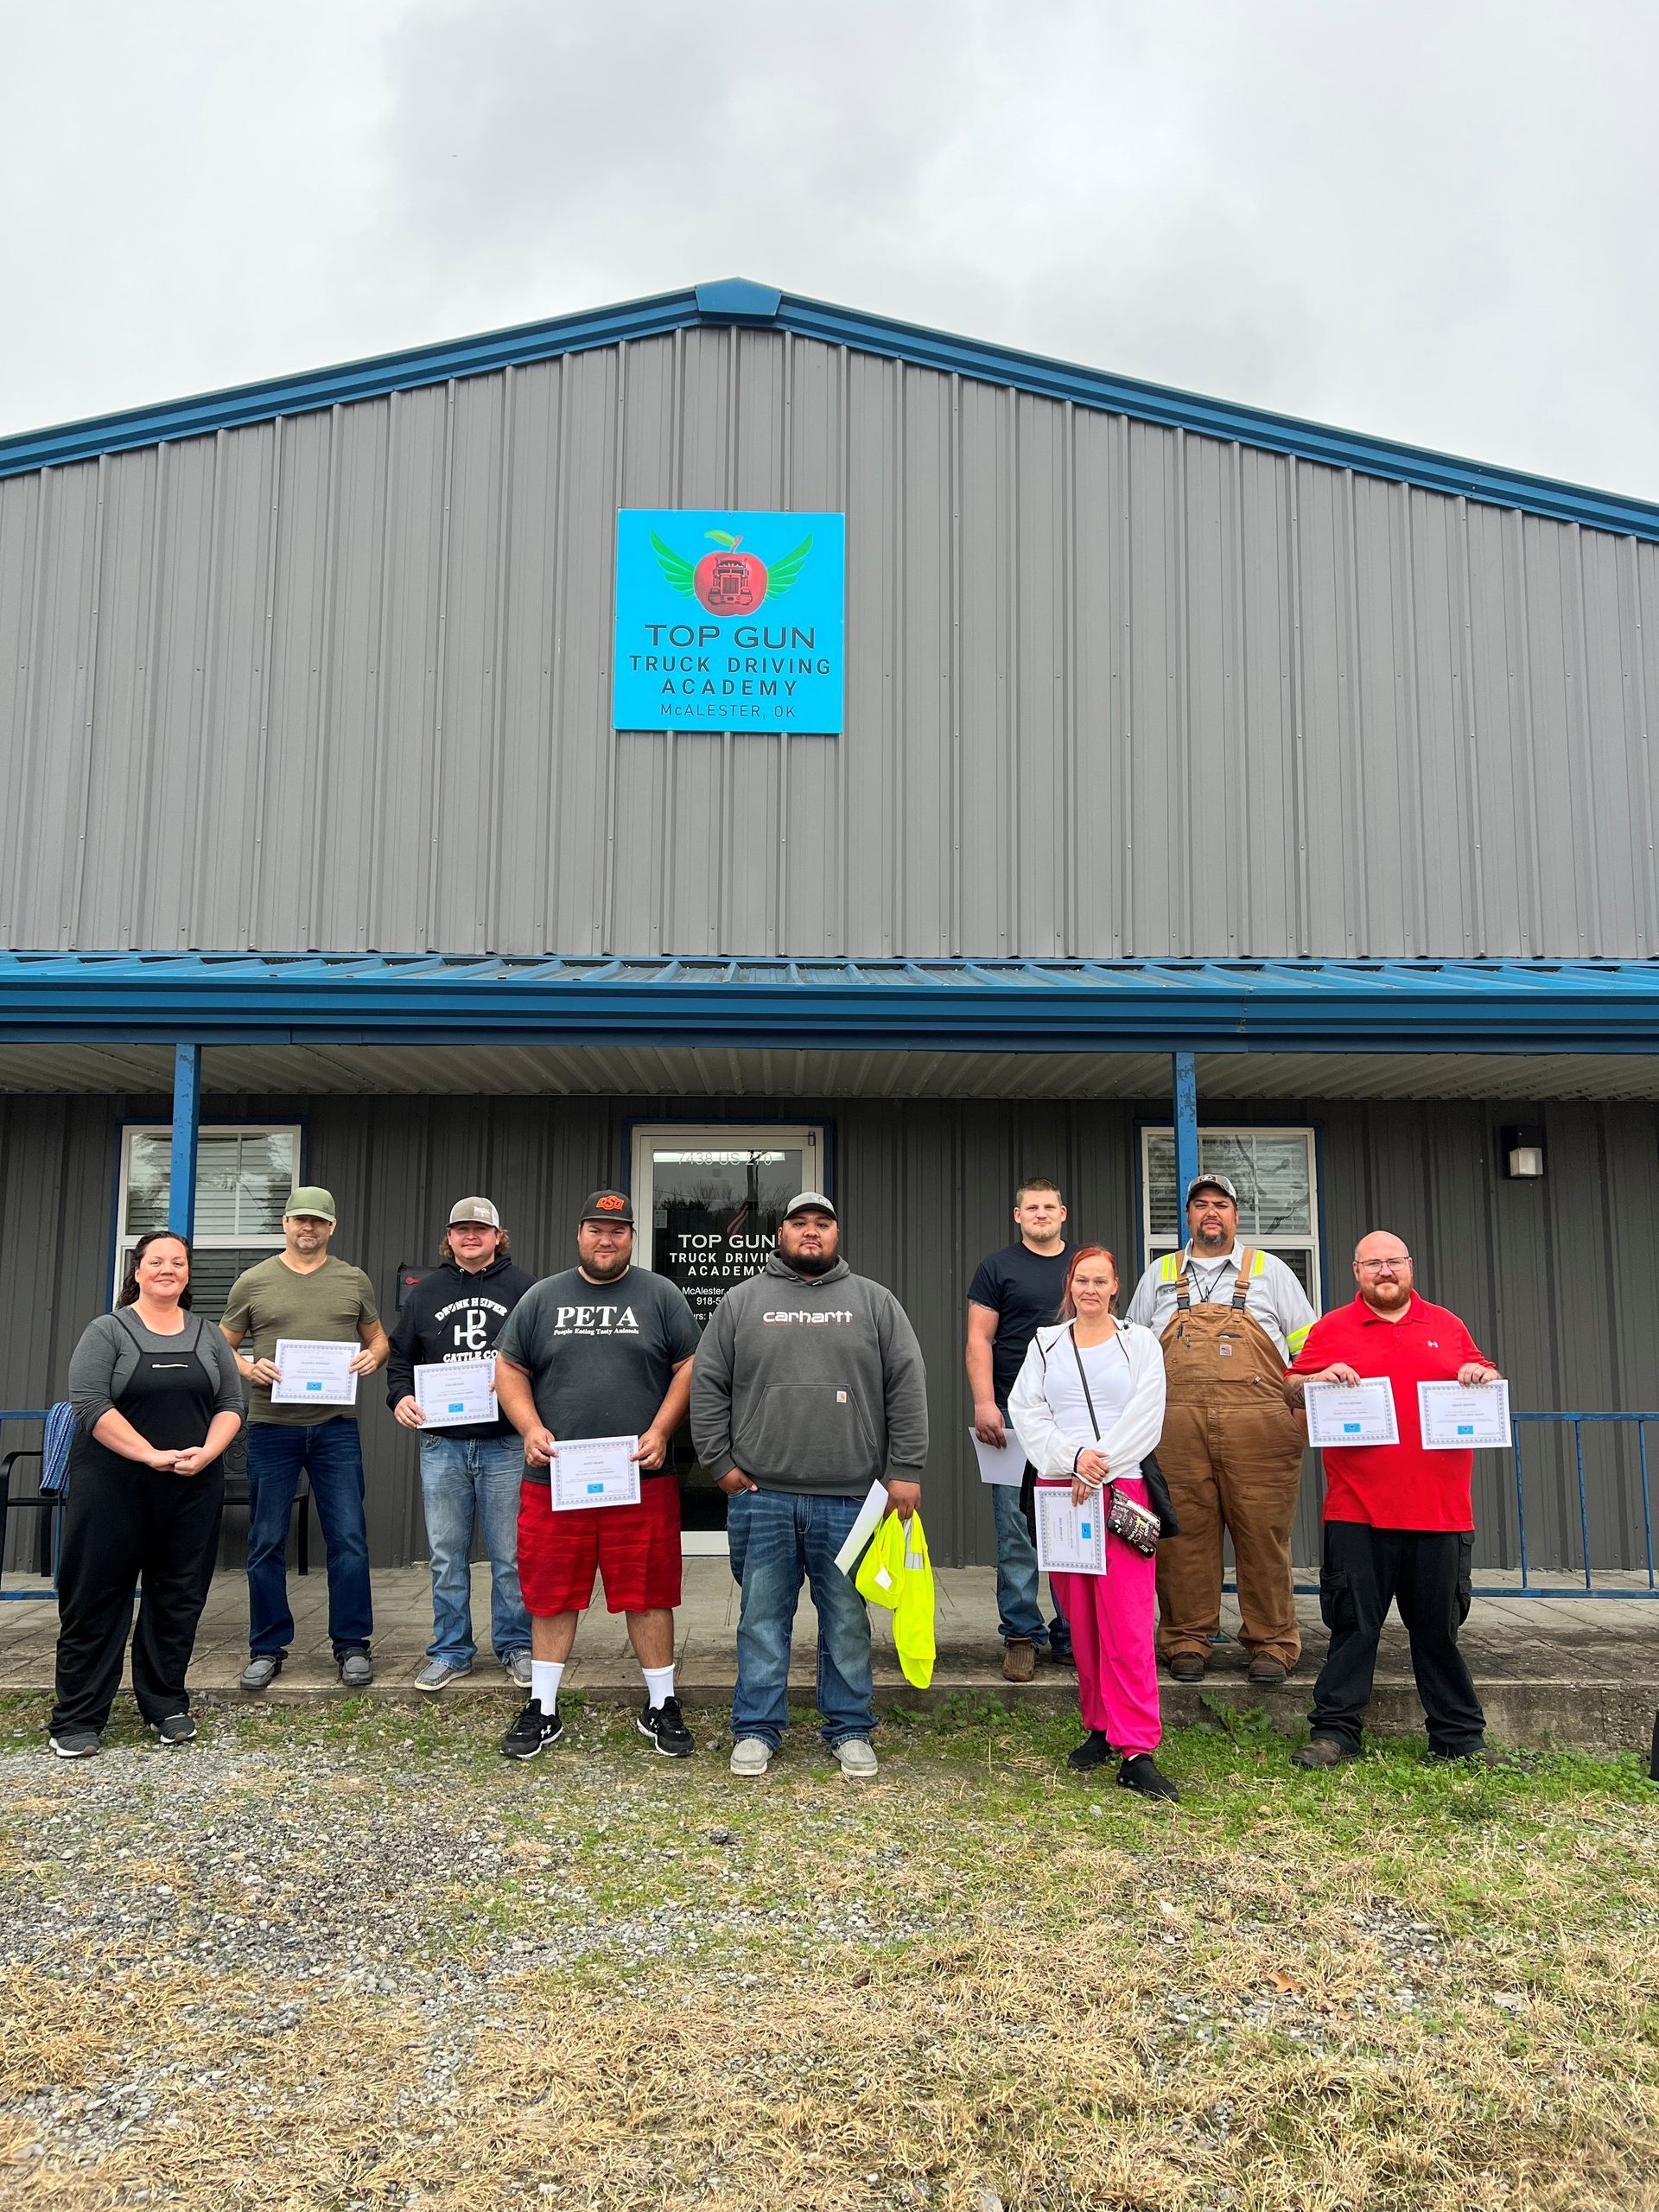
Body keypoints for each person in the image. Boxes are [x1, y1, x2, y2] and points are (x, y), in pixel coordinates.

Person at [690, 1192, 929, 1781]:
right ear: (781, 1234)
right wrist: (719, 1465)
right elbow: (708, 1385)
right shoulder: (743, 1302)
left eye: (823, 1223)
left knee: (846, 1619)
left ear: (836, 1233)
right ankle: (756, 1728)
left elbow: (907, 1385)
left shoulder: (875, 1302)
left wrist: (906, 1469)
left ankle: (848, 1727)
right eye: (800, 1223)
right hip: (762, 1496)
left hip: (849, 1499)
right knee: (761, 1619)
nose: (812, 1232)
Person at [492, 1191, 701, 1761]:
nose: (605, 1240)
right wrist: (530, 1427)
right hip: (557, 1478)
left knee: (649, 1592)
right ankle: (544, 1706)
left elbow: (690, 1366)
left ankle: (661, 1704)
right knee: (552, 1594)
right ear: (579, 1234)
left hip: (639, 1476)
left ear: (631, 1237)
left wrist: (661, 1429)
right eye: (595, 1229)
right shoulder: (542, 1297)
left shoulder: (660, 1295)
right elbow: (507, 1366)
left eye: (617, 1230)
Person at [1283, 1231, 1502, 1767]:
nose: (1385, 1271)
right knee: (1354, 1628)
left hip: (1440, 1513)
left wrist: (1480, 1375)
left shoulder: (1448, 1325)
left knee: (1439, 1633)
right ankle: (1335, 1733)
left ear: (1410, 1268)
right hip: (1357, 1511)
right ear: (1356, 1272)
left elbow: (1485, 1375)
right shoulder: (1331, 1327)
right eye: (1373, 1263)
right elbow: (1289, 1387)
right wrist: (1315, 1379)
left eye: (1394, 1262)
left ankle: (1458, 1738)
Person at [48, 1232, 245, 1757]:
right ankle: (79, 1717)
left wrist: (207, 1453)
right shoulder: (107, 1331)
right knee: (97, 1597)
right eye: (156, 1261)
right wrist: (149, 1455)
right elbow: (89, 1405)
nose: (167, 1269)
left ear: (186, 1275)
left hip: (191, 1488)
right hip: (114, 1489)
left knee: (178, 1598)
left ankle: (165, 1705)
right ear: (137, 1271)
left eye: (177, 1263)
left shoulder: (207, 1335)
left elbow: (232, 1403)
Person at [1125, 1173, 1315, 1687]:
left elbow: (1311, 1353)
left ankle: (1272, 1642)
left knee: (1263, 1536)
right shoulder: (1158, 1275)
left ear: (1236, 1215)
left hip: (1262, 1433)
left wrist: (1300, 1412)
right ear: (1187, 1216)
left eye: (1222, 1204)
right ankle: (1187, 1637)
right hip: (1176, 1430)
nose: (1212, 1212)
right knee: (1182, 1536)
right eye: (1201, 1204)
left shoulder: (1272, 1273)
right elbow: (1131, 1355)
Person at [1009, 1246, 1176, 1798]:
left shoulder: (1140, 1344)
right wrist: (1070, 1457)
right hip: (1063, 1490)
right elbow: (1027, 1412)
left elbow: (1147, 1415)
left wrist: (1097, 1464)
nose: (1090, 1289)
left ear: (1115, 1287)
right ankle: (1100, 1726)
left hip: (1121, 1487)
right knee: (1080, 1618)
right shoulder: (1044, 1345)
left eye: (1100, 1280)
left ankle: (1137, 1746)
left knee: (1126, 1621)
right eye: (1081, 1279)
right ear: (1070, 1285)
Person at [219, 1187, 389, 1690]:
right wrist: (249, 1369)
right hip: (272, 1427)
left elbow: (377, 1337)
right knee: (266, 1539)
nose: (307, 1228)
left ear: (331, 1228)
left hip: (336, 1427)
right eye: (299, 1220)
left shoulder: (352, 1279)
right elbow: (222, 1345)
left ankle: (352, 1645)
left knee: (349, 1539)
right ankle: (267, 1647)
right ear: (285, 1224)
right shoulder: (254, 1281)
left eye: (318, 1221)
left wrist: (373, 1357)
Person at [386, 1196, 537, 1692]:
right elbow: (399, 1362)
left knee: (509, 1555)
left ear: (498, 1236)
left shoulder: (526, 1290)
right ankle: (451, 1649)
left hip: (504, 1443)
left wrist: (518, 1382)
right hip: (442, 1446)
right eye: (460, 1230)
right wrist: (400, 1399)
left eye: (480, 1229)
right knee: (447, 1554)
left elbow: (545, 1356)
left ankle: (516, 1646)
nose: (470, 1237)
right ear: (448, 1238)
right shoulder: (425, 1293)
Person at [967, 1177, 1075, 1681]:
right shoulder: (996, 1268)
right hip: (1010, 1416)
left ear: (1063, 1213)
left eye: (1048, 1206)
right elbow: (979, 1339)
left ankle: (1073, 1633)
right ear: (1018, 1216)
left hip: (1073, 1418)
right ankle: (1021, 1634)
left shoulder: (1083, 1269)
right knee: (1015, 1528)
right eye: (1031, 1207)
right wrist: (985, 1402)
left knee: (1074, 1525)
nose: (1040, 1213)